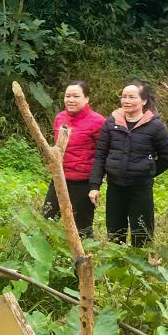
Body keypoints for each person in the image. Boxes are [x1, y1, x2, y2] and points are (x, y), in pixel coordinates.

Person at [88, 80, 168, 246]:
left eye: (132, 97)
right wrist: (94, 185)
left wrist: (147, 171)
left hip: (140, 189)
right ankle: (116, 268)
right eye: (124, 97)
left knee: (141, 234)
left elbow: (166, 157)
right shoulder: (111, 122)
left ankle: (140, 268)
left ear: (143, 101)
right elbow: (100, 154)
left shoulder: (155, 126)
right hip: (115, 187)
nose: (126, 100)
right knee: (115, 233)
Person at [43, 80, 104, 236]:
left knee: (82, 227)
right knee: (46, 219)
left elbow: (102, 154)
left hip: (83, 182)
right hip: (59, 178)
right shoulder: (60, 118)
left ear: (87, 99)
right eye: (67, 96)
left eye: (76, 96)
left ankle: (84, 258)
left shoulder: (98, 122)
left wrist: (95, 185)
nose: (70, 100)